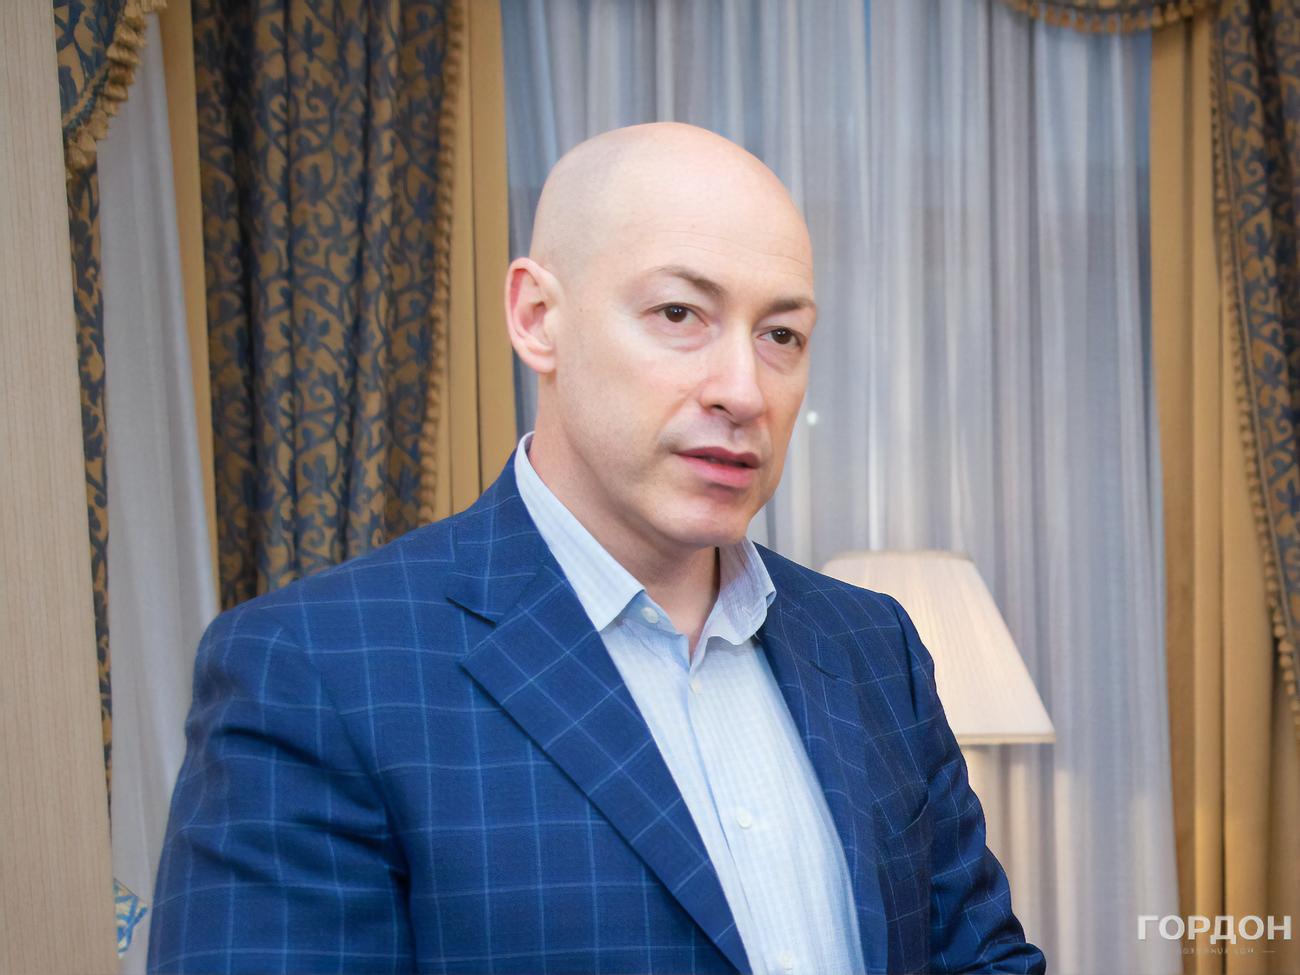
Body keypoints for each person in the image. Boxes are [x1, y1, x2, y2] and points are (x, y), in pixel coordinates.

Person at [148, 123, 1045, 975]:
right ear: (538, 316)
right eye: (680, 312)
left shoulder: (873, 646)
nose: (744, 390)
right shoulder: (315, 668)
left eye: (781, 335)